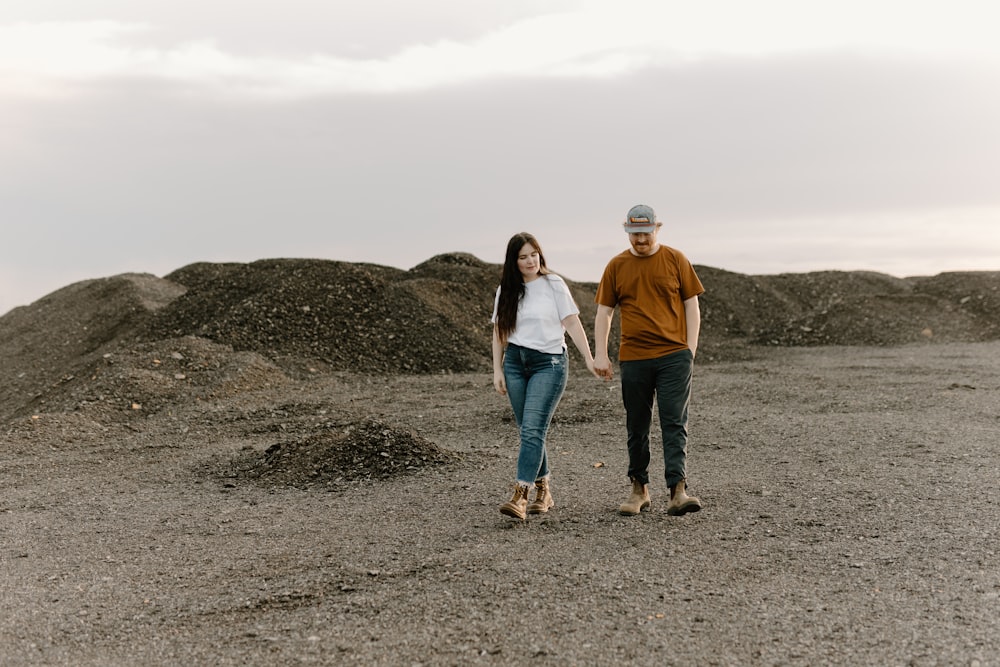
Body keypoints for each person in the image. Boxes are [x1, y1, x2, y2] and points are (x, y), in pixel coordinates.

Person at [593, 204, 705, 516]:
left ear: (657, 228)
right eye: (634, 233)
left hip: (673, 356)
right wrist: (600, 353)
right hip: (634, 358)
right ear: (625, 230)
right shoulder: (616, 265)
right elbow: (604, 312)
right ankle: (638, 488)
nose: (640, 239)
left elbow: (691, 304)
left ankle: (677, 490)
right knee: (637, 425)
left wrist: (689, 350)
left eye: (645, 232)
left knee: (673, 422)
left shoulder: (675, 259)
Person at [492, 232, 599, 520]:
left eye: (534, 254)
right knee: (530, 429)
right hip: (514, 362)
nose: (530, 261)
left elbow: (572, 323)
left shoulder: (554, 284)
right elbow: (499, 331)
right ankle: (544, 490)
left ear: (540, 255)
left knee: (531, 430)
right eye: (523, 256)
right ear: (513, 261)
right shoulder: (507, 289)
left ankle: (520, 496)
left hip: (548, 363)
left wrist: (589, 359)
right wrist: (497, 369)